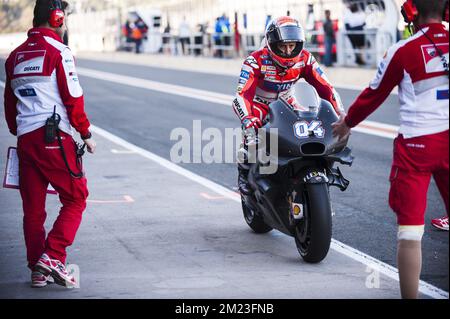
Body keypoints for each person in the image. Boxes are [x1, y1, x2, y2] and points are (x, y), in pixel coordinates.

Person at [332, 0, 449, 298]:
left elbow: (374, 93)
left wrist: (347, 123)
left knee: (410, 235)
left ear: (411, 12)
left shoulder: (402, 50)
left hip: (416, 148)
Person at [3, 0, 96, 288]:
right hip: (53, 137)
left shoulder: (14, 56)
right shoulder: (60, 51)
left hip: (26, 140)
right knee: (76, 197)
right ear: (56, 18)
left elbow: (9, 105)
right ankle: (53, 256)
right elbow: (73, 96)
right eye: (64, 16)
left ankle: (37, 269)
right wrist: (85, 133)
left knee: (33, 210)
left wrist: (21, 132)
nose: (65, 22)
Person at [232, 16, 345, 195]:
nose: (288, 51)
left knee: (312, 127)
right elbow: (241, 95)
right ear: (271, 44)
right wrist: (247, 118)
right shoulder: (255, 61)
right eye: (282, 46)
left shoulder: (306, 58)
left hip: (287, 102)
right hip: (261, 105)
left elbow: (326, 88)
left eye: (292, 46)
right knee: (252, 137)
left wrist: (341, 113)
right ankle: (244, 174)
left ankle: (318, 166)